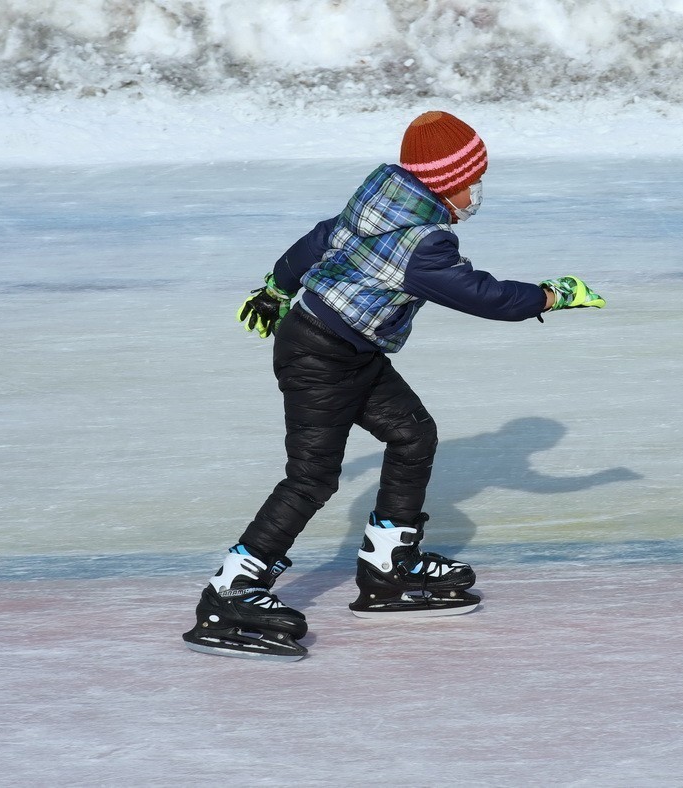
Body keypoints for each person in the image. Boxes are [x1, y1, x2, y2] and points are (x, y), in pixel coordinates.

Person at [182, 110, 606, 661]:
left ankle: (388, 569)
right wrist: (550, 294)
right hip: (321, 358)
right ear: (448, 183)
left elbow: (318, 239)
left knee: (413, 435)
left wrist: (276, 286)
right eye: (474, 182)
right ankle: (229, 593)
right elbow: (482, 295)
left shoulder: (382, 198)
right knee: (311, 478)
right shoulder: (422, 244)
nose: (479, 192)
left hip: (344, 348)